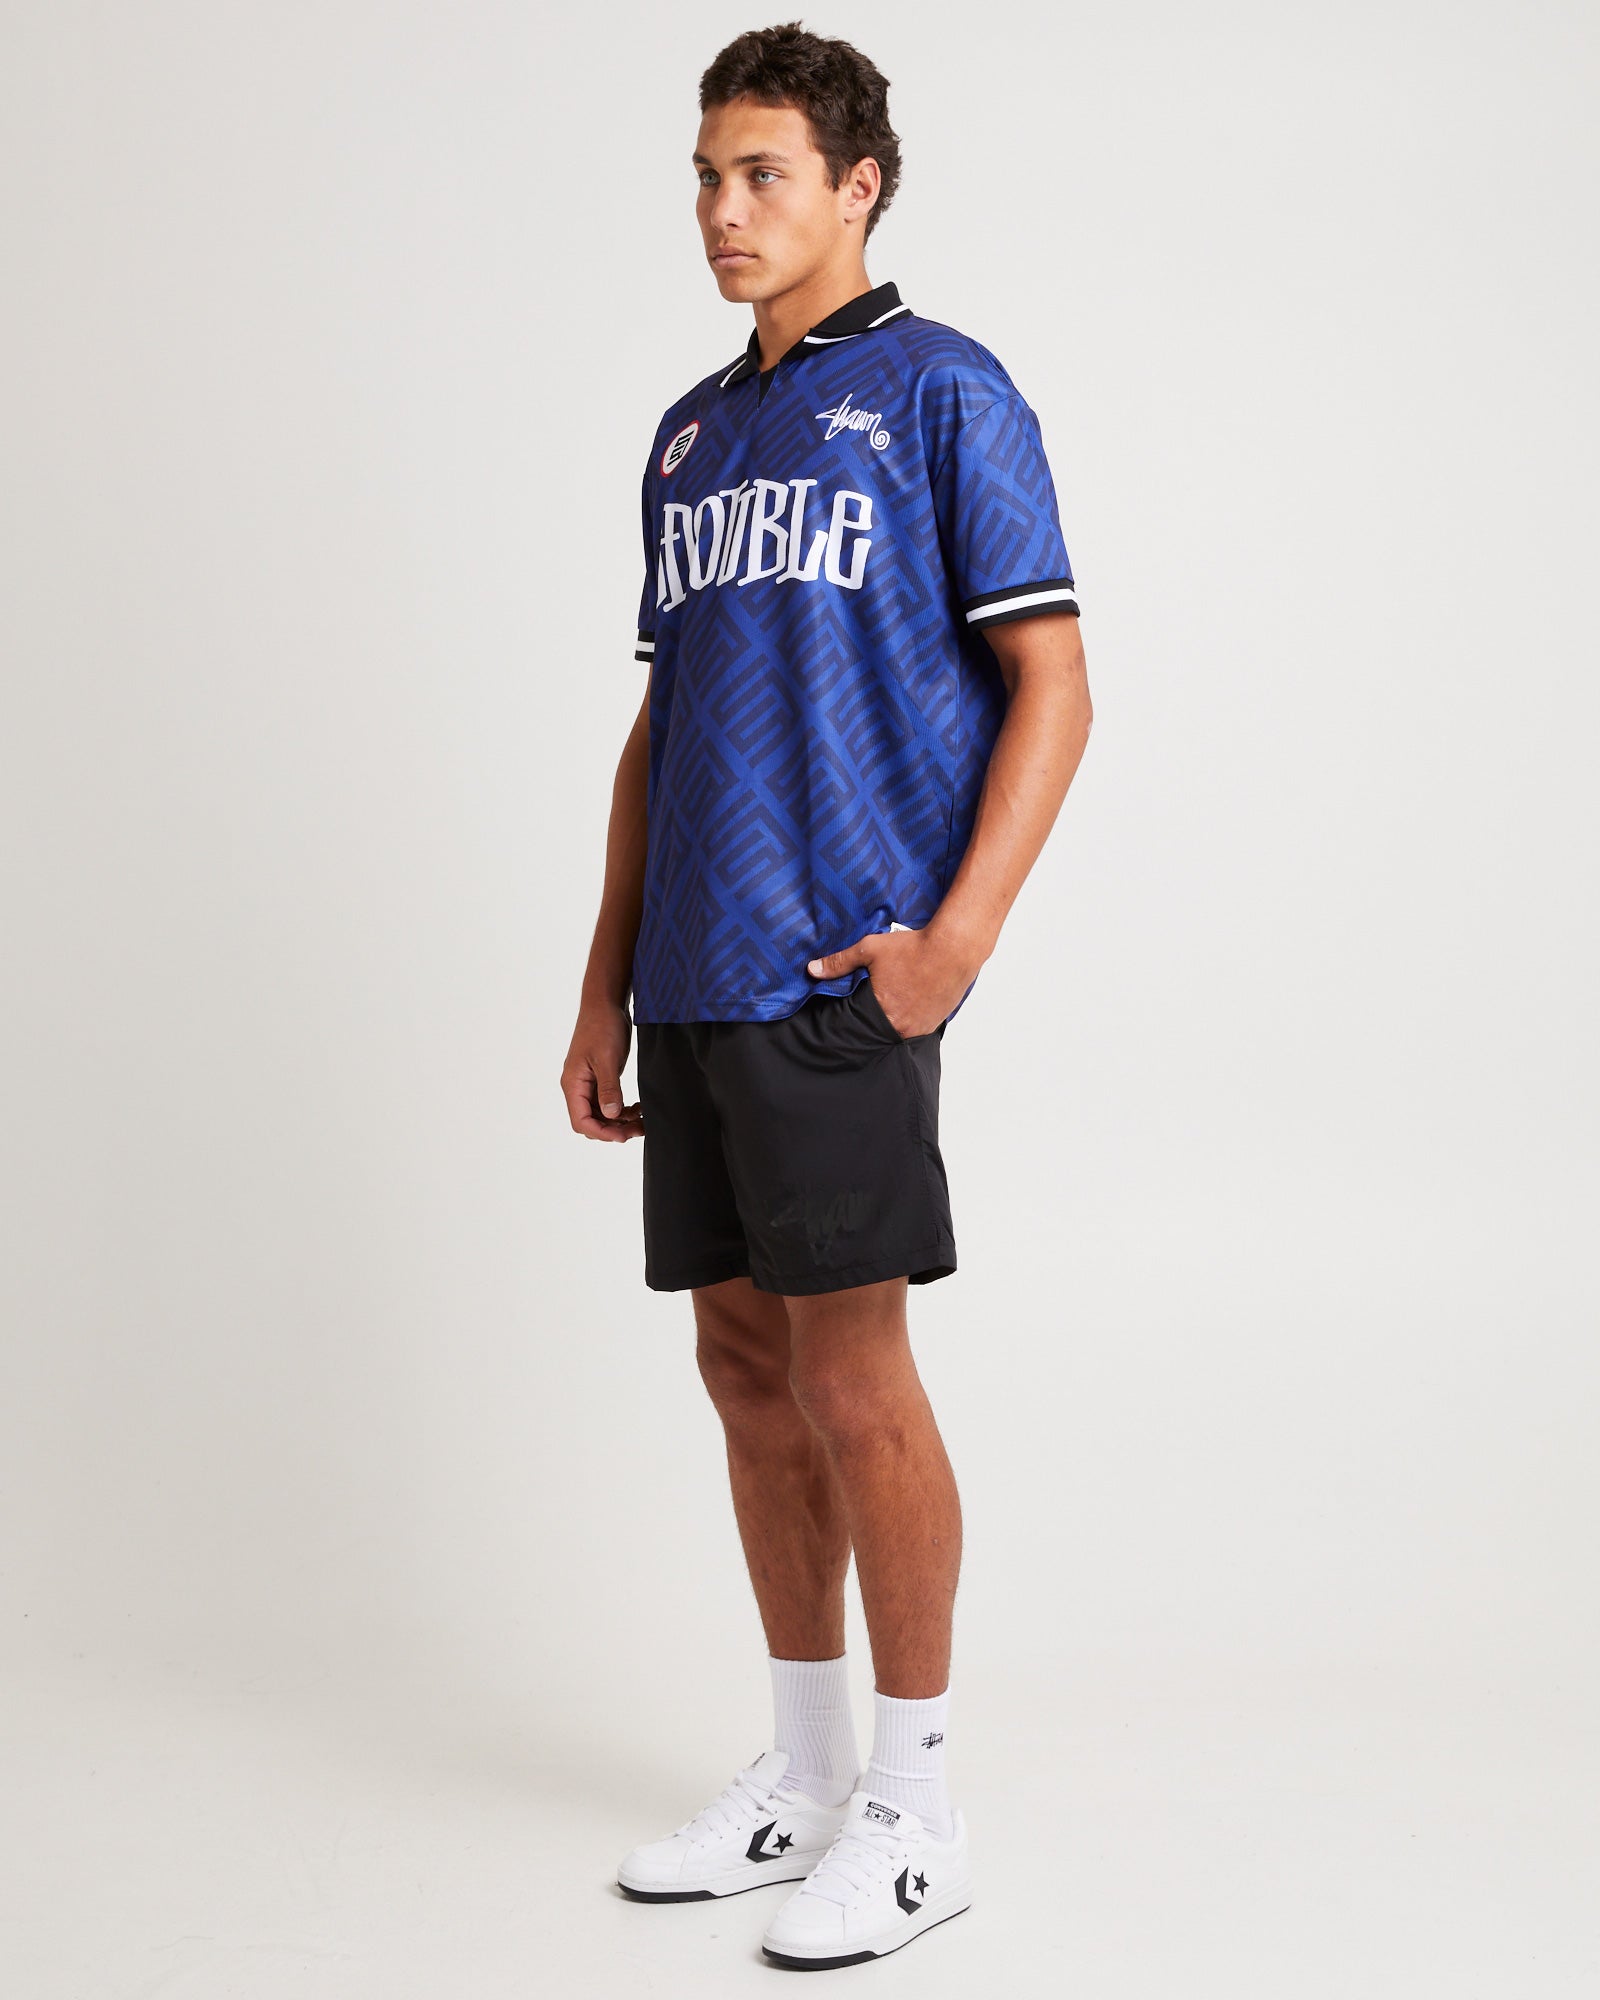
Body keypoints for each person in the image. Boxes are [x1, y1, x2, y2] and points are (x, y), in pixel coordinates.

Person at [561, 21, 1093, 1971]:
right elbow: (662, 724)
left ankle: (916, 1808)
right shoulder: (687, 433)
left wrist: (954, 944)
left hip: (838, 967)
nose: (723, 208)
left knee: (853, 1374)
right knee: (738, 1362)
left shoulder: (948, 391)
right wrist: (601, 981)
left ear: (857, 185)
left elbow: (1055, 683)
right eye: (706, 175)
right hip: (692, 974)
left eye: (762, 172)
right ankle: (801, 1767)